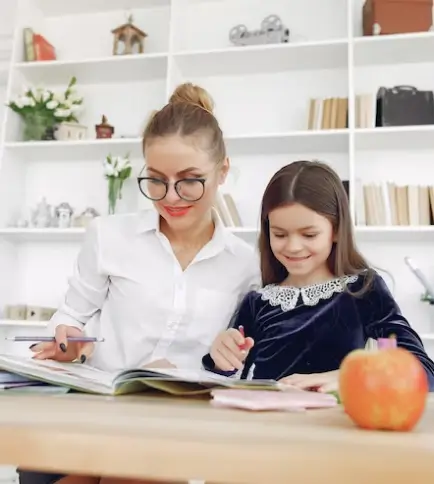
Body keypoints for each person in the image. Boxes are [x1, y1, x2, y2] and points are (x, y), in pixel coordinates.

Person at [18, 83, 260, 484]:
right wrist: (68, 339)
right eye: (156, 180)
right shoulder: (108, 236)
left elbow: (240, 363)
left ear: (223, 173)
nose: (171, 197)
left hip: (180, 422)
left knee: (131, 467)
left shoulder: (246, 265)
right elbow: (72, 315)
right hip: (104, 404)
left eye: (190, 180)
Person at [204, 160, 434, 392]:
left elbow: (420, 371)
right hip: (264, 424)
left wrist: (350, 377)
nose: (293, 247)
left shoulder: (363, 291)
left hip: (331, 424)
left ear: (335, 230)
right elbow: (226, 376)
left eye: (309, 234)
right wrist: (220, 357)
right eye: (280, 234)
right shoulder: (257, 302)